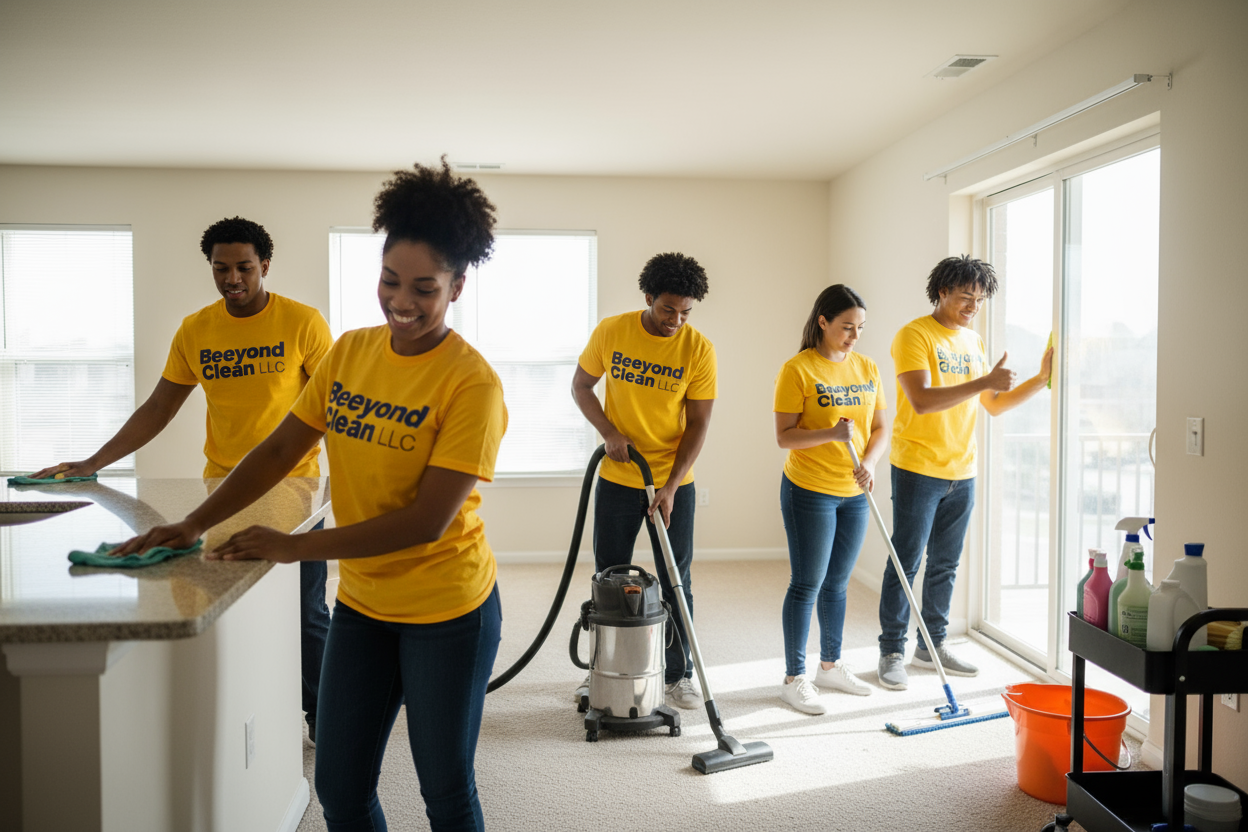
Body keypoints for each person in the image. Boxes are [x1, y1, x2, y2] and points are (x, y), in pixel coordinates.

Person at [111, 159, 507, 831]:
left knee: (445, 787)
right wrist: (192, 523)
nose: (402, 302)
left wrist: (294, 546)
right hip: (364, 604)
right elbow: (275, 451)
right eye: (389, 281)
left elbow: (426, 522)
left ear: (458, 286)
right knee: (341, 788)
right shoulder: (349, 353)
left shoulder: (472, 384)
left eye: (424, 288)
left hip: (448, 609)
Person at [33, 216, 334, 741]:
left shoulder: (303, 323)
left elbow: (330, 410)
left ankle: (326, 719)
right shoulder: (197, 329)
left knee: (305, 611)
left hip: (293, 488)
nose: (232, 279)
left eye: (244, 267)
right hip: (221, 488)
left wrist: (348, 486)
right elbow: (158, 408)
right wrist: (93, 462)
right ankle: (252, 706)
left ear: (265, 265)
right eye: (221, 269)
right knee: (224, 600)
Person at [877, 255, 1052, 690]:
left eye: (979, 299)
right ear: (942, 292)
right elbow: (920, 399)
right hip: (918, 467)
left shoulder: (972, 342)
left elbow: (991, 404)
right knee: (906, 562)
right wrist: (983, 382)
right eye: (965, 297)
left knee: (946, 565)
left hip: (962, 469)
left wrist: (1039, 379)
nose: (973, 306)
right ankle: (891, 650)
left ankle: (931, 645)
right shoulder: (914, 335)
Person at [570, 252, 716, 710]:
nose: (677, 320)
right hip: (618, 476)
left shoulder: (698, 349)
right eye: (668, 309)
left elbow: (697, 424)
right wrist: (609, 433)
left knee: (676, 579)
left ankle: (678, 674)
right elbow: (581, 385)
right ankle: (600, 670)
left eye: (686, 311)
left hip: (673, 482)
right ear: (648, 297)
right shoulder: (613, 331)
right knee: (608, 576)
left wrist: (671, 486)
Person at [773, 285, 889, 715]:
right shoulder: (798, 369)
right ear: (823, 321)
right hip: (809, 490)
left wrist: (872, 463)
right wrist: (832, 434)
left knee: (838, 584)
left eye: (860, 328)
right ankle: (793, 677)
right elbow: (784, 437)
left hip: (854, 491)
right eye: (846, 327)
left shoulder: (867, 367)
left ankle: (830, 665)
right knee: (807, 584)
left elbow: (880, 429)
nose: (854, 336)